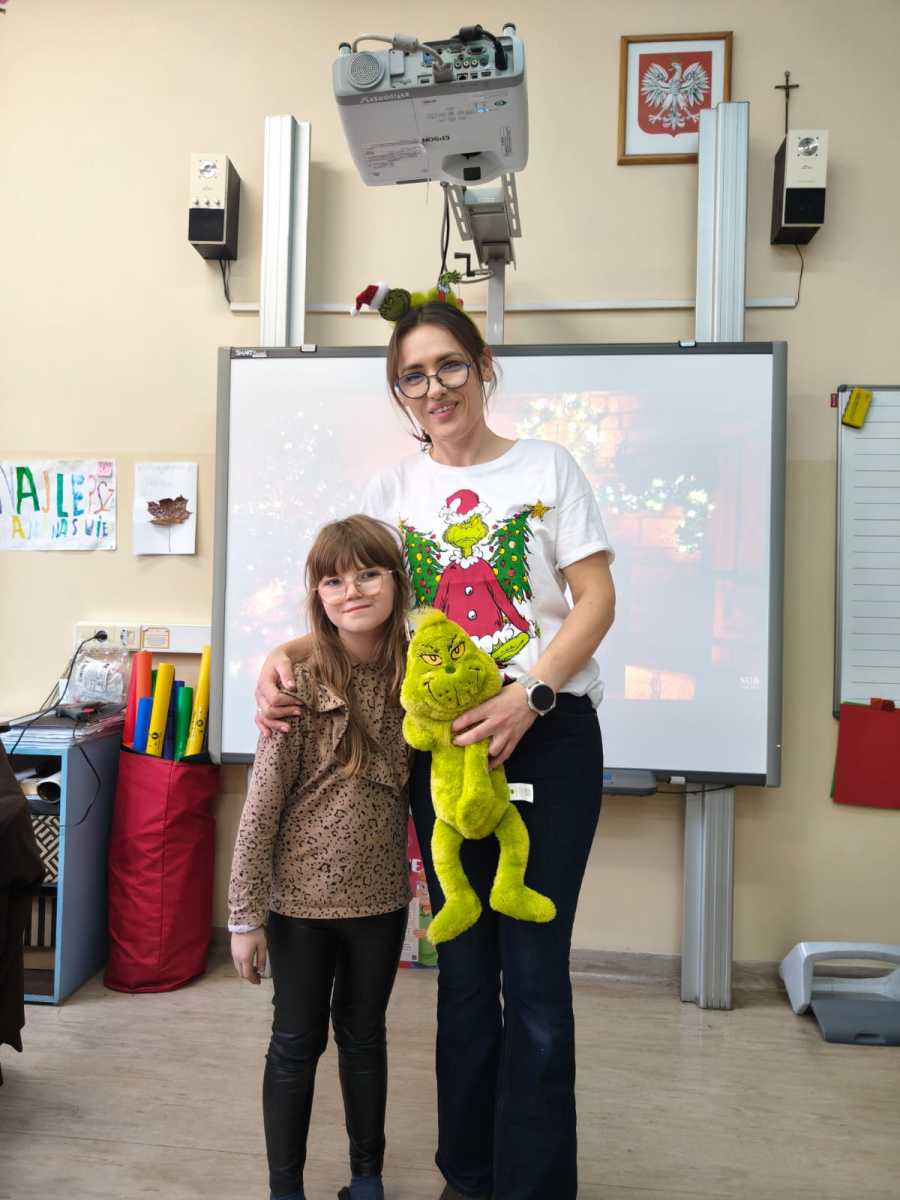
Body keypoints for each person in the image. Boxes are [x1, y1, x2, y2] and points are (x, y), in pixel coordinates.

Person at [256, 301, 616, 1200]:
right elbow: (357, 613)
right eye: (412, 376)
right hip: (443, 754)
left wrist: (529, 696)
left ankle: (534, 1186)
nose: (434, 389)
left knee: (535, 973)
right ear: (400, 393)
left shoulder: (548, 467)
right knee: (462, 969)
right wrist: (280, 655)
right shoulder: (392, 493)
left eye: (449, 365)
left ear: (482, 364)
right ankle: (470, 1175)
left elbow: (596, 601)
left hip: (548, 740)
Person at [229, 514, 413, 1200]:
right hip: (300, 907)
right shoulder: (298, 685)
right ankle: (286, 1189)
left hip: (381, 902)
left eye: (367, 574)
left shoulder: (417, 677)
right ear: (317, 595)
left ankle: (368, 1179)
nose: (352, 591)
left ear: (396, 581)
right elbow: (260, 809)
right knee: (295, 1042)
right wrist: (243, 918)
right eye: (333, 582)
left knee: (364, 1039)